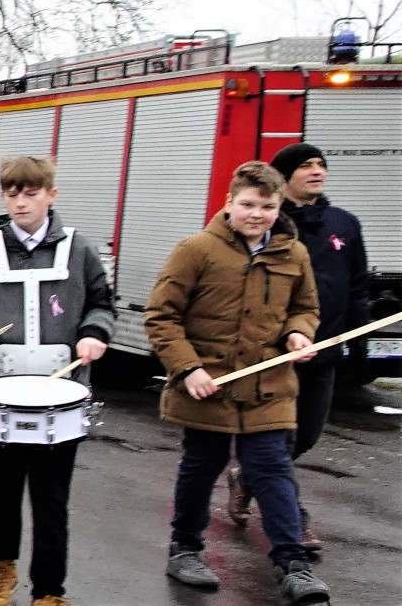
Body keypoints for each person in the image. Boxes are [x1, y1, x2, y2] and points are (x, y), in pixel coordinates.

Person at [144, 161, 331, 605]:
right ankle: (185, 548)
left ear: (279, 205)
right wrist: (188, 368)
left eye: (267, 206)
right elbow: (161, 317)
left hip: (269, 388)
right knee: (202, 466)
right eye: (247, 204)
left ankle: (292, 565)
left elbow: (305, 308)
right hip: (209, 385)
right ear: (228, 203)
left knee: (272, 469)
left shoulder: (294, 254)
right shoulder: (196, 250)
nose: (256, 214)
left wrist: (299, 332)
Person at [0, 156, 114, 606]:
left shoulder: (79, 250)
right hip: (1, 400)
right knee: (2, 498)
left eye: (31, 192)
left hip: (61, 401)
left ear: (51, 195)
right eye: (12, 193)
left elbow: (102, 304)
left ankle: (48, 590)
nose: (20, 202)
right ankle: (1, 573)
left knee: (51, 501)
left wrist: (94, 333)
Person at [226, 143, 369, 548]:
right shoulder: (267, 224)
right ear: (284, 177)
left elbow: (357, 285)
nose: (317, 171)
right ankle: (294, 521)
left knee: (305, 436)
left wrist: (360, 345)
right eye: (306, 165)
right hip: (274, 354)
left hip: (324, 349)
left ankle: (245, 476)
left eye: (321, 164)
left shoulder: (344, 223)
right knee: (278, 440)